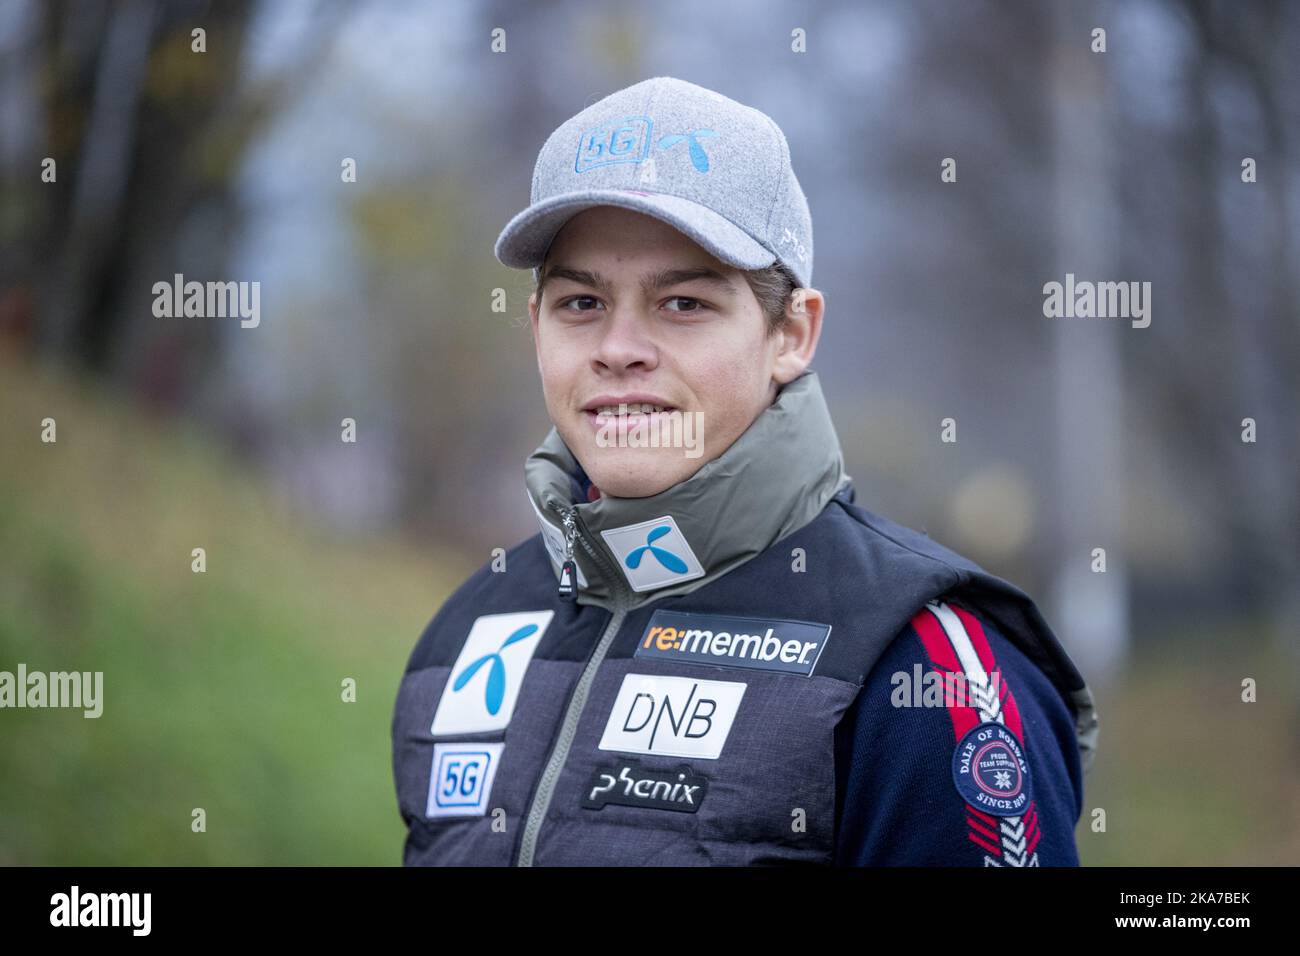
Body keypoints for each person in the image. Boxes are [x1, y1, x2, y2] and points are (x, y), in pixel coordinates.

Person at [391, 75, 1099, 866]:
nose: (618, 348)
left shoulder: (925, 669)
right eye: (582, 304)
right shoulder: (468, 633)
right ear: (535, 328)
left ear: (792, 333)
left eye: (684, 303)